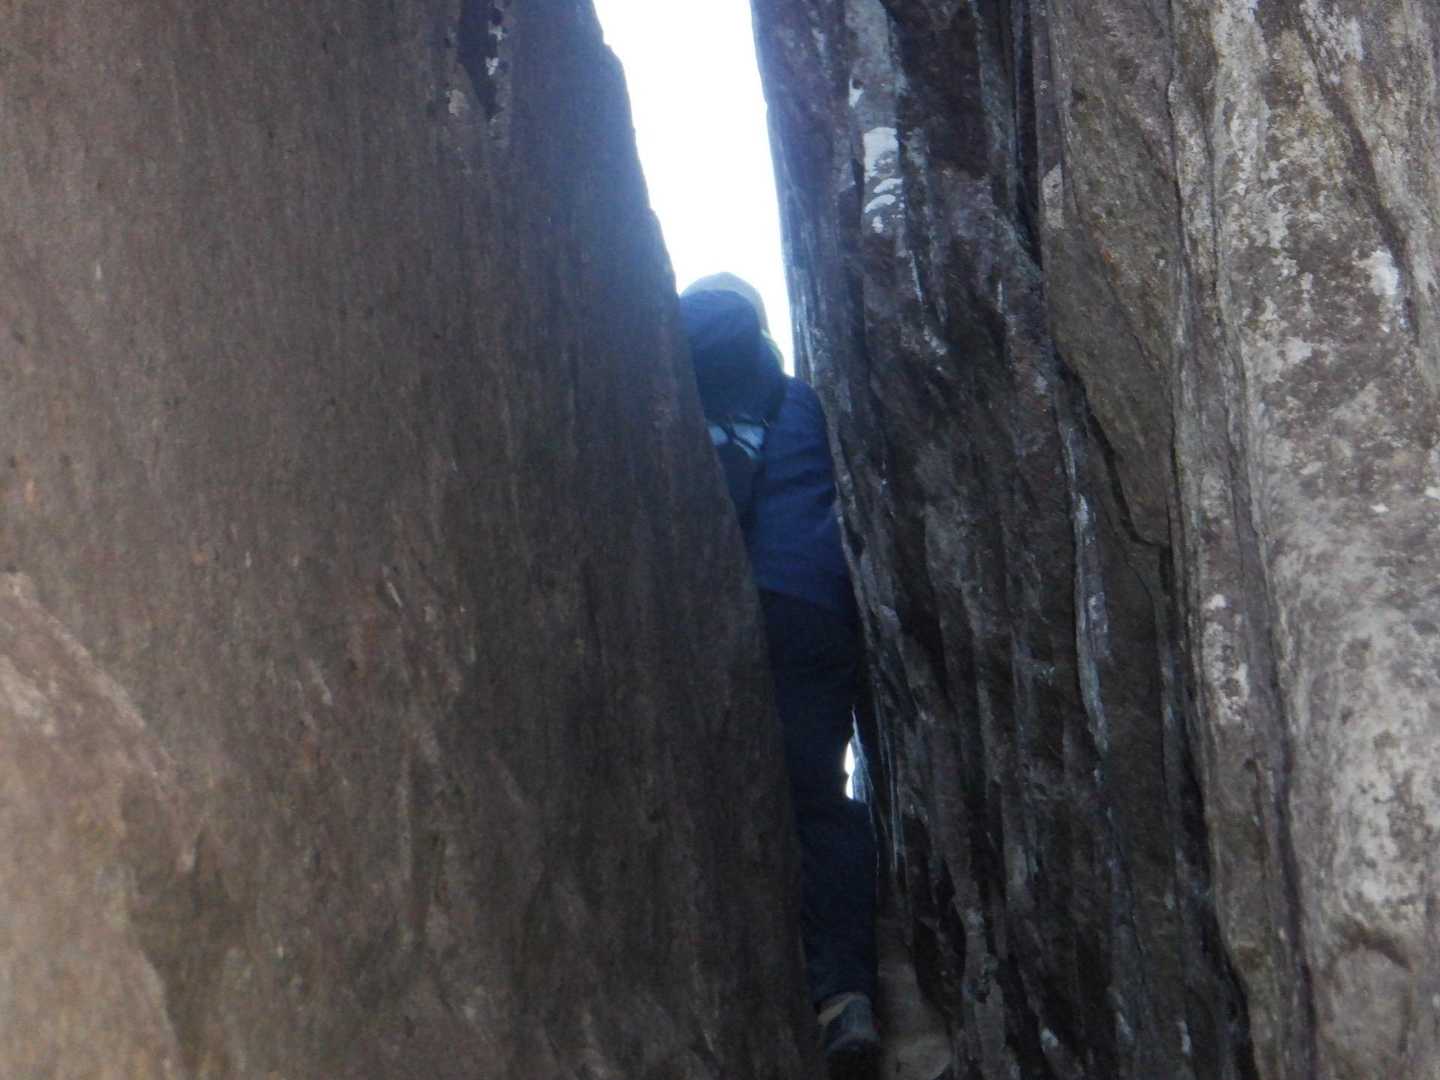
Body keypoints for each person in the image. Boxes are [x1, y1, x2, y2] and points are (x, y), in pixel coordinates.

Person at [679, 274, 880, 1075]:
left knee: (711, 790)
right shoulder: (805, 405)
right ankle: (844, 996)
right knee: (818, 800)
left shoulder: (686, 394)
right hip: (814, 610)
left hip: (723, 599)